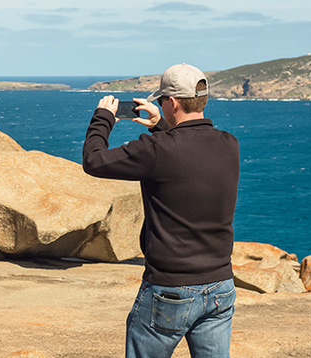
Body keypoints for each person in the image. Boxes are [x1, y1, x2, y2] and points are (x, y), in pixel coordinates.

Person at [81, 64, 240, 358]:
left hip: (170, 289)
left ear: (173, 102)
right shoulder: (229, 144)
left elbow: (93, 160)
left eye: (162, 101)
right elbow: (186, 151)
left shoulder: (156, 149)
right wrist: (160, 126)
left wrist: (103, 118)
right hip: (220, 287)